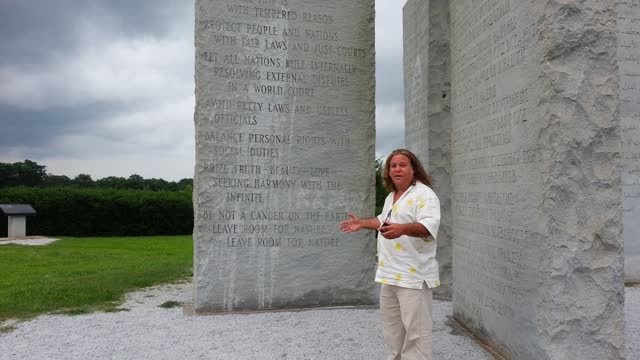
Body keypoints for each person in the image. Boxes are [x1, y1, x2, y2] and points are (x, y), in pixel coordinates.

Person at [339, 149, 440, 360]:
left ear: (414, 169)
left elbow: (428, 227)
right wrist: (362, 223)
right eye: (393, 166)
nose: (397, 169)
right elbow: (382, 220)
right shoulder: (392, 196)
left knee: (417, 333)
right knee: (393, 330)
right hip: (389, 274)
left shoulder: (425, 194)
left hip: (413, 277)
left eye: (402, 165)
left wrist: (402, 229)